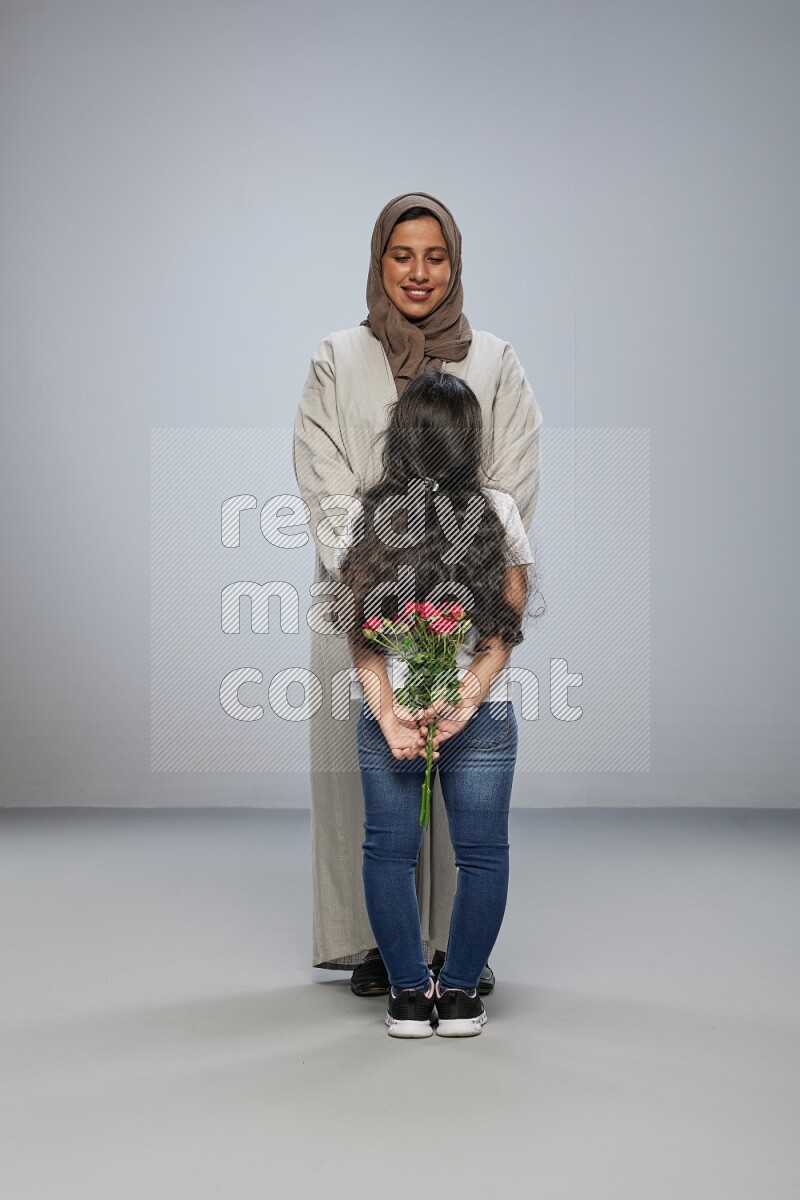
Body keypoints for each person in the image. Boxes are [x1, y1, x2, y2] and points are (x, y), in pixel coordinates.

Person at [292, 191, 543, 996]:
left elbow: (512, 472)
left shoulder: (495, 360)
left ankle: (449, 946)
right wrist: (377, 565)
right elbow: (321, 468)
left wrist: (457, 561)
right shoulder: (338, 354)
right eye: (402, 255)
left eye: (435, 256)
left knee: (462, 751)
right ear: (379, 261)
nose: (419, 272)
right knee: (373, 772)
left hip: (462, 602)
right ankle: (379, 945)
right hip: (362, 593)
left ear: (455, 264)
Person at [334, 370, 540, 1036]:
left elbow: (363, 642)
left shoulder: (367, 514)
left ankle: (406, 998)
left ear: (400, 440)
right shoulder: (498, 510)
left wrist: (392, 712)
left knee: (389, 852)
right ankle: (458, 999)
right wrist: (465, 697)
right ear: (468, 440)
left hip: (395, 711)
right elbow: (503, 635)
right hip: (474, 718)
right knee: (480, 853)